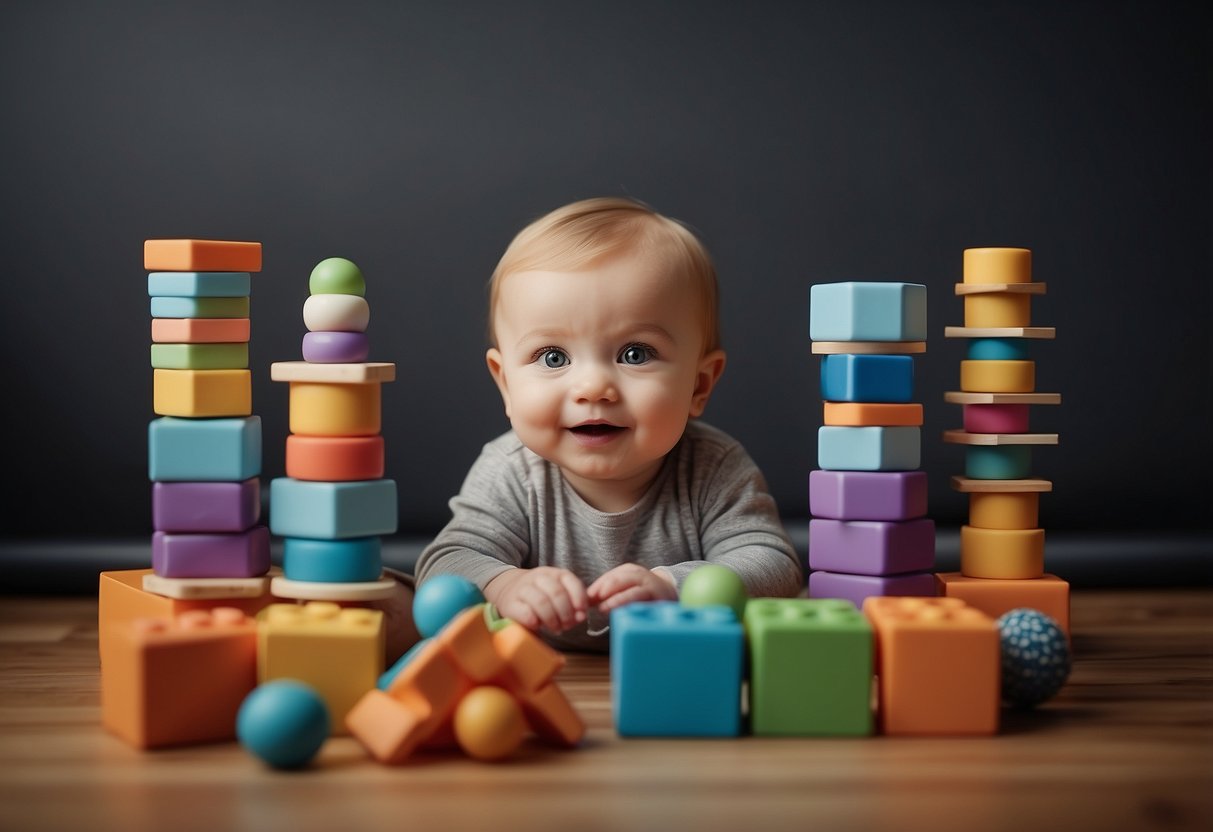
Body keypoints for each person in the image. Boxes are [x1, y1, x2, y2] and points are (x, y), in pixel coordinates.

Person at [412, 197, 803, 652]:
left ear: (699, 385)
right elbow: (444, 563)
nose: (593, 387)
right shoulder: (511, 471)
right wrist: (504, 585)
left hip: (676, 671)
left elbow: (775, 565)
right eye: (553, 357)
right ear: (505, 384)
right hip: (545, 678)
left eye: (635, 354)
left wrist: (675, 586)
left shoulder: (713, 467)